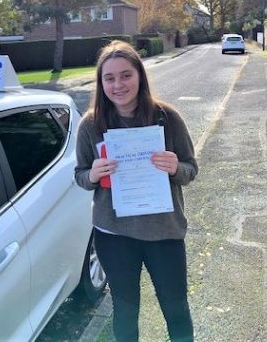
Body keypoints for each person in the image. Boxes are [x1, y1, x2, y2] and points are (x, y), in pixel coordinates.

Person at [75, 40, 198, 342]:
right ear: (101, 82)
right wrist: (92, 174)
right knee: (125, 312)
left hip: (164, 233)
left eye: (126, 75)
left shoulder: (167, 117)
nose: (118, 84)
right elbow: (79, 175)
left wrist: (175, 168)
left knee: (176, 309)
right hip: (114, 235)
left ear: (140, 76)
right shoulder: (90, 124)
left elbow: (191, 169)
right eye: (109, 77)